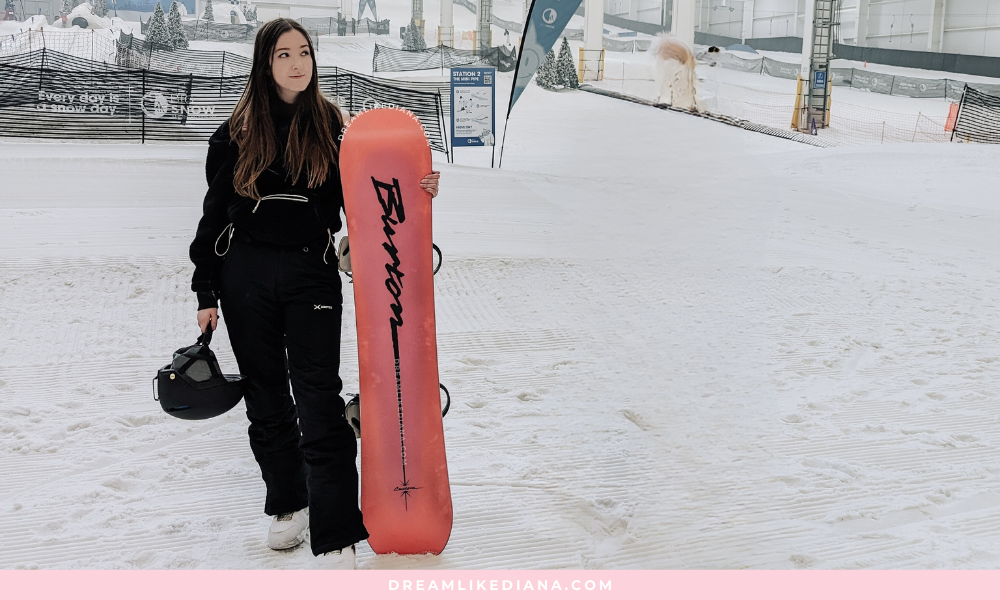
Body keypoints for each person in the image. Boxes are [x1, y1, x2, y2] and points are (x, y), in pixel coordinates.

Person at [188, 18, 441, 569]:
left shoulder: (331, 125)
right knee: (266, 396)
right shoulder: (235, 131)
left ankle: (336, 531)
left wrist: (412, 183)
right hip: (245, 275)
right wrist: (205, 287)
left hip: (312, 274)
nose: (297, 63)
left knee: (318, 397)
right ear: (265, 62)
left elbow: (370, 200)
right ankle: (288, 504)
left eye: (304, 52)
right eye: (284, 54)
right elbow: (212, 215)